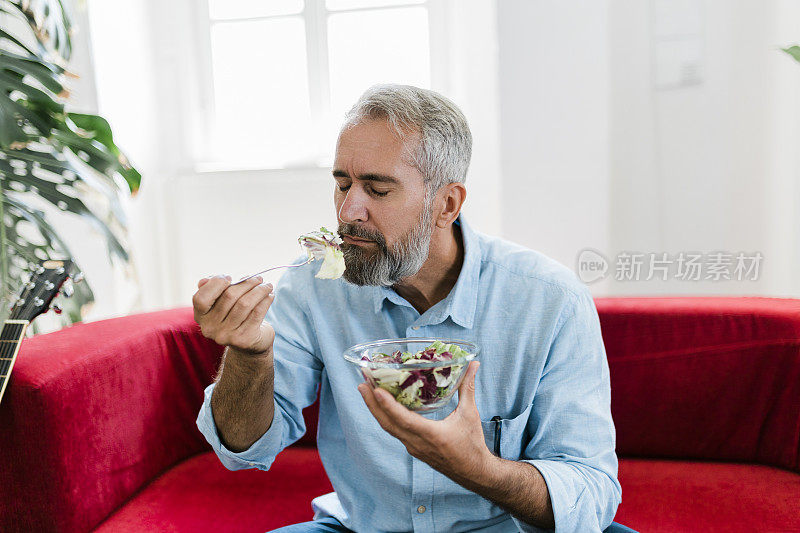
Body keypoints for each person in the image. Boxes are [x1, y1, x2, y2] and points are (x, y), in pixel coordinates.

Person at [193, 85, 633, 533]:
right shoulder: (312, 286)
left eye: (377, 190)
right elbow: (242, 448)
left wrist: (478, 468)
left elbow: (591, 493)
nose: (348, 210)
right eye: (342, 184)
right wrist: (250, 356)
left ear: (446, 204)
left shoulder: (550, 300)